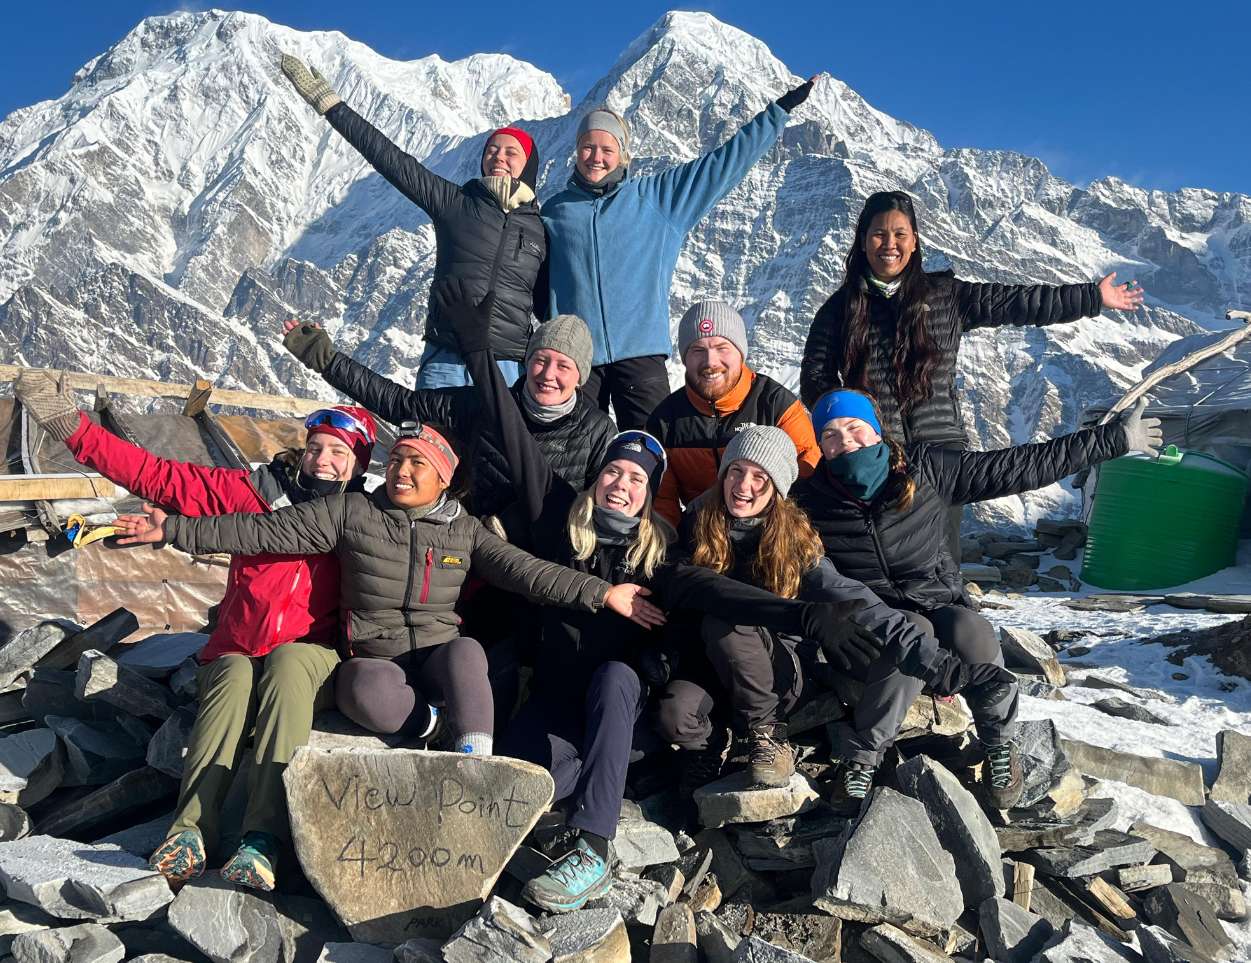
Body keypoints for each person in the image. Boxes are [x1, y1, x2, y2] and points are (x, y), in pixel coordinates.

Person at [441, 283, 880, 912]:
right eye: (613, 472)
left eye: (637, 480)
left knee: (617, 677)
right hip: (558, 700)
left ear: (650, 497)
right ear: (597, 478)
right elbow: (514, 432)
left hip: (627, 712)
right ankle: (560, 810)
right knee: (523, 787)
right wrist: (479, 354)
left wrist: (805, 615)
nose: (621, 485)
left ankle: (594, 847)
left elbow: (722, 594)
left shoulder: (661, 561)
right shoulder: (556, 520)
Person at [15, 371, 375, 891]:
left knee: (288, 665)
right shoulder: (253, 494)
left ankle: (263, 838)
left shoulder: (365, 517)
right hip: (238, 644)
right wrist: (73, 429)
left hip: (311, 650)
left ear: (360, 463)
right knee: (232, 676)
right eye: (316, 447)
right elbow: (157, 475)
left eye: (339, 452)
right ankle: (189, 832)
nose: (323, 459)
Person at [791, 389, 1164, 805]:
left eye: (855, 427)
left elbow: (1017, 466)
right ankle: (862, 758)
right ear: (819, 445)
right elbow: (813, 575)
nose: (845, 441)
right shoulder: (811, 502)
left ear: (877, 431)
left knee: (973, 630)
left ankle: (999, 744)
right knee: (911, 633)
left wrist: (1112, 440)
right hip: (874, 621)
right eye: (830, 434)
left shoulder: (926, 470)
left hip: (938, 601)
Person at [799, 190, 1146, 552]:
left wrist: (1091, 297)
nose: (890, 244)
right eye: (878, 234)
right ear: (862, 241)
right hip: (876, 456)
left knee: (940, 557)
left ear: (914, 242)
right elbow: (815, 377)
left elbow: (1018, 302)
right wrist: (849, 421)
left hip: (942, 455)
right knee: (878, 552)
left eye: (900, 234)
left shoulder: (945, 295)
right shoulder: (838, 310)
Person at [542, 78, 818, 428]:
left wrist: (777, 113)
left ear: (623, 155)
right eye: (587, 147)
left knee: (650, 448)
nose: (596, 157)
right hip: (578, 357)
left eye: (606, 149)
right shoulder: (555, 211)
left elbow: (721, 166)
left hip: (641, 356)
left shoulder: (656, 199)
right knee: (574, 447)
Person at [279, 54, 546, 389]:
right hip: (448, 357)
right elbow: (392, 161)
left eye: (510, 152)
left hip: (506, 365)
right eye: (492, 150)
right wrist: (332, 107)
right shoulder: (456, 203)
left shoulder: (539, 228)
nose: (498, 157)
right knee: (425, 426)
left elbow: (553, 299)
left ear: (528, 164)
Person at [283, 310, 615, 524]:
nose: (548, 374)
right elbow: (400, 404)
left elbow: (598, 509)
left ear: (580, 377)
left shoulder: (597, 431)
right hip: (476, 548)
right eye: (541, 360)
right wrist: (325, 359)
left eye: (563, 366)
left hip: (549, 558)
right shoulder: (484, 404)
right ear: (528, 361)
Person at [646, 299, 819, 526]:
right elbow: (662, 503)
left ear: (740, 353)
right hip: (700, 532)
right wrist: (672, 541)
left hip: (770, 532)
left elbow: (807, 478)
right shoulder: (665, 420)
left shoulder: (776, 405)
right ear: (684, 358)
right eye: (698, 350)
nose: (710, 361)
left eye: (722, 348)